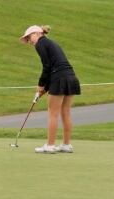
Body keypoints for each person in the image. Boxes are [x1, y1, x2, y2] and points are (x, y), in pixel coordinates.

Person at [20, 25, 81, 154]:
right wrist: (44, 89)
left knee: (53, 113)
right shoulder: (51, 43)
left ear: (37, 33)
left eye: (29, 37)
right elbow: (52, 67)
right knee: (65, 112)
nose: (29, 41)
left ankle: (50, 145)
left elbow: (47, 67)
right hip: (70, 77)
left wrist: (41, 85)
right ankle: (66, 144)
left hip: (59, 78)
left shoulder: (40, 44)